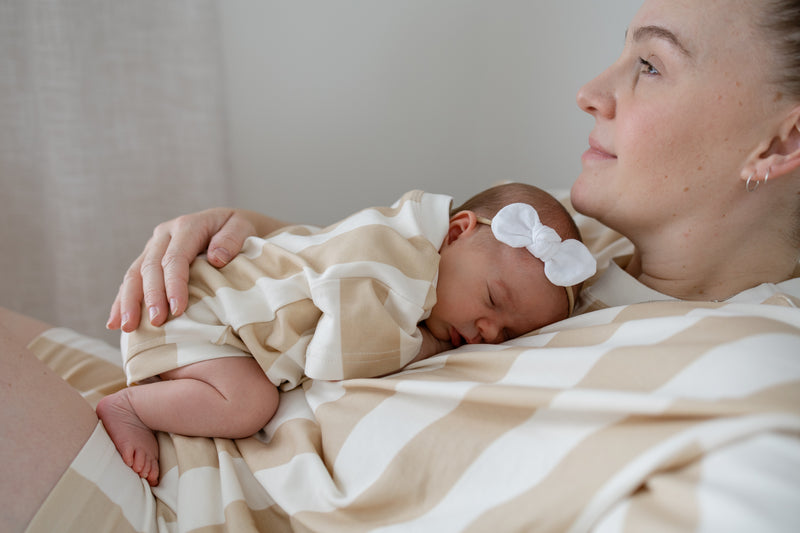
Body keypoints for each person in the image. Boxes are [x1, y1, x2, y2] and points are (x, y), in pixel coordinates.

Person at [4, 1, 800, 531]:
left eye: (651, 66)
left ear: (781, 143)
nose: (591, 92)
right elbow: (388, 262)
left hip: (188, 503)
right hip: (178, 407)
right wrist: (249, 238)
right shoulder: (569, 243)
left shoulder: (757, 371)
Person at [96, 183, 596, 486]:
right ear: (457, 231)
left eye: (508, 333)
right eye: (492, 301)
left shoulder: (405, 250)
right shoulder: (391, 267)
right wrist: (431, 346)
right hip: (200, 315)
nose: (489, 332)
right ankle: (131, 407)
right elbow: (339, 358)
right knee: (247, 403)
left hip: (210, 315)